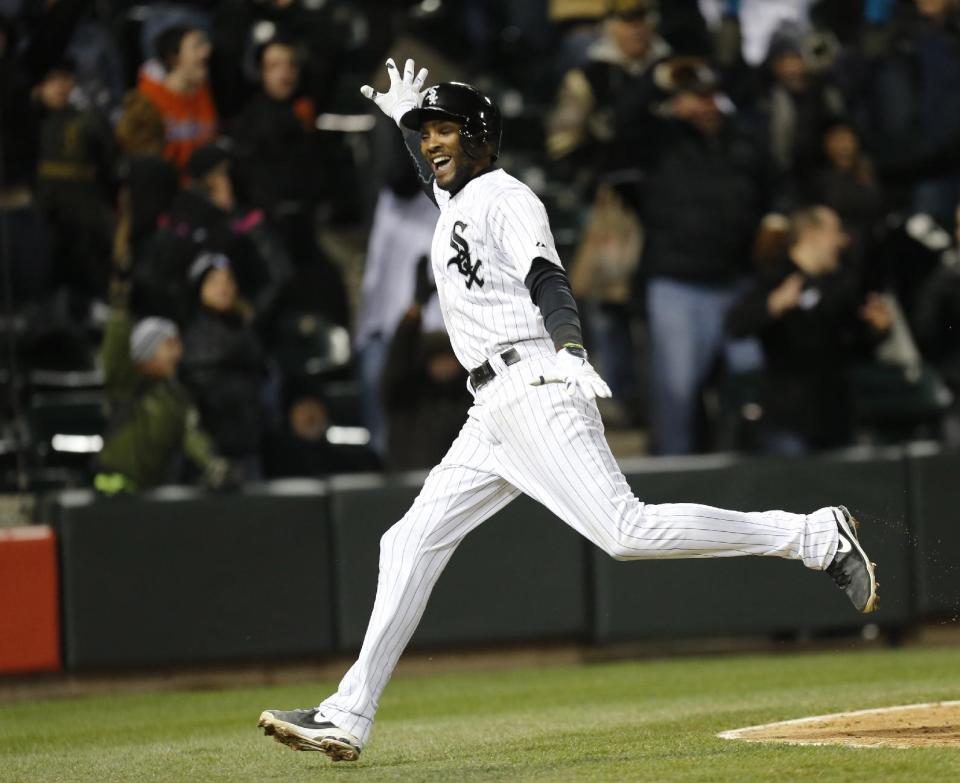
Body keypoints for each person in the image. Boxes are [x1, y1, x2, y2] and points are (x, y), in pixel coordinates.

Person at [257, 58, 879, 762]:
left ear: (483, 140)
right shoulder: (459, 198)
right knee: (404, 542)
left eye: (445, 131)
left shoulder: (506, 197)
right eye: (427, 132)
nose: (433, 143)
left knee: (626, 530)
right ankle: (348, 714)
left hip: (535, 383)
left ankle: (813, 536)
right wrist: (405, 124)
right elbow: (438, 180)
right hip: (489, 410)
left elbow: (545, 276)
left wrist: (571, 345)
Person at [726, 206, 893, 455]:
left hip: (836, 416)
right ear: (811, 234)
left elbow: (858, 344)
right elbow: (735, 325)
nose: (843, 240)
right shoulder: (775, 276)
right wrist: (773, 305)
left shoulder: (843, 283)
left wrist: (879, 330)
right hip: (787, 420)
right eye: (835, 232)